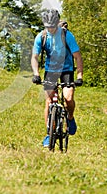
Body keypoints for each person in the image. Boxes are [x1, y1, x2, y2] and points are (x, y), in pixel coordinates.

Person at [31, 9, 83, 147]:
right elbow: (35, 57)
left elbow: (77, 56)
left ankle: (70, 118)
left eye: (53, 26)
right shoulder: (41, 36)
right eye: (48, 26)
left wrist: (79, 76)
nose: (51, 29)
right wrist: (36, 74)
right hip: (51, 71)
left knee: (68, 98)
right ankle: (49, 133)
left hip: (66, 70)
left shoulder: (66, 35)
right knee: (49, 101)